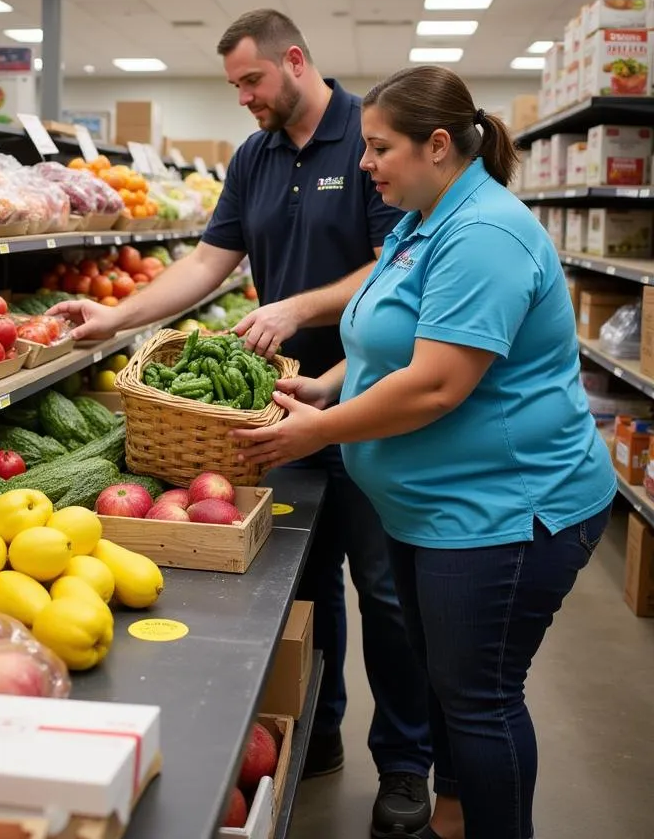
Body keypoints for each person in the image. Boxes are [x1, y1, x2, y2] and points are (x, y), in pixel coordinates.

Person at [51, 10, 433, 837]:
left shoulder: (367, 140)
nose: (243, 99)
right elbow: (205, 262)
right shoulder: (255, 158)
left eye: (251, 81)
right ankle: (321, 728)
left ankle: (405, 765)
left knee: (384, 590)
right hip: (270, 406)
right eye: (234, 86)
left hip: (365, 397)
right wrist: (114, 318)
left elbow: (394, 262)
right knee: (305, 580)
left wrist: (297, 304)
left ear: (294, 61)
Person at [235, 64, 616, 839]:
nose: (365, 163)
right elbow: (389, 337)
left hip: (505, 512)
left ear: (438, 144)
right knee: (451, 687)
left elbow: (436, 385)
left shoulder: (485, 234)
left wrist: (316, 431)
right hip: (431, 507)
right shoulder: (422, 218)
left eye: (379, 148)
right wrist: (329, 388)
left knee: (481, 700)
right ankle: (449, 819)